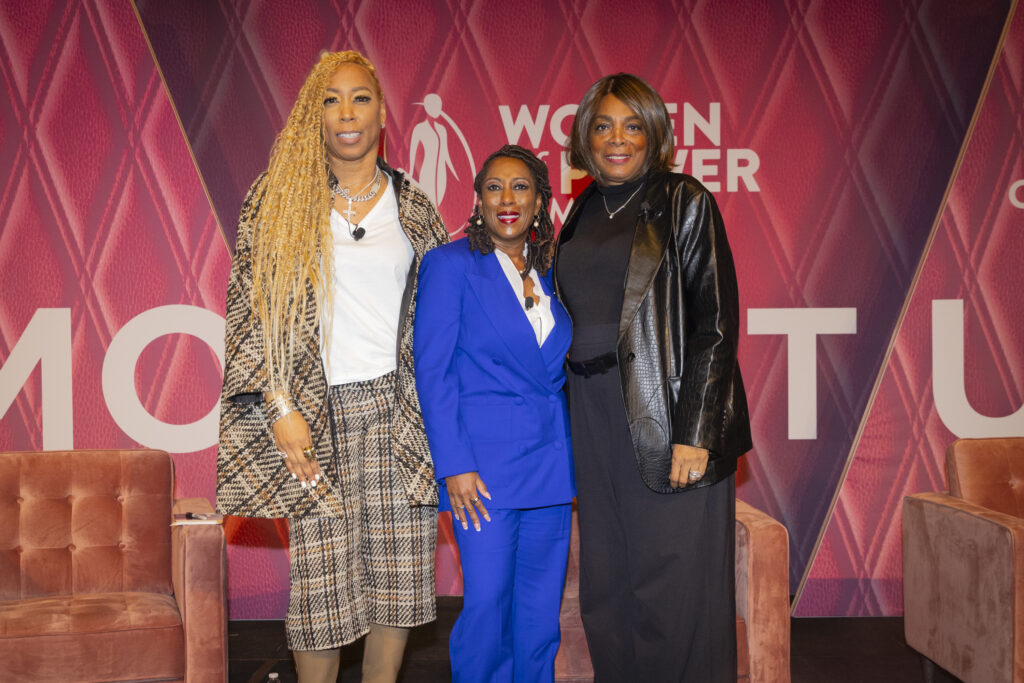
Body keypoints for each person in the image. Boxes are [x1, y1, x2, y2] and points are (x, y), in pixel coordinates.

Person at [215, 50, 448, 683]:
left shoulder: (413, 204)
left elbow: (442, 317)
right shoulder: (279, 198)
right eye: (331, 99)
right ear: (312, 115)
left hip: (400, 414)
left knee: (398, 581)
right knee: (320, 592)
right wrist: (280, 407)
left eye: (360, 98)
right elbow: (250, 310)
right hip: (315, 415)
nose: (347, 113)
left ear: (382, 114)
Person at [554, 73, 753, 682]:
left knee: (673, 590)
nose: (617, 139)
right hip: (592, 415)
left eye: (632, 125)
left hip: (666, 417)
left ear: (655, 135)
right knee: (608, 586)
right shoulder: (582, 209)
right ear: (585, 137)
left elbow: (715, 324)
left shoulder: (684, 199)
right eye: (603, 125)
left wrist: (696, 432)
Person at [414, 144, 575, 682]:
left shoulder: (554, 271)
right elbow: (433, 373)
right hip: (482, 473)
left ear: (540, 202)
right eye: (494, 187)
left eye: (521, 187)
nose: (507, 199)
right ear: (478, 200)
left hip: (550, 467)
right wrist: (454, 465)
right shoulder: (450, 265)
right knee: (487, 607)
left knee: (539, 615)